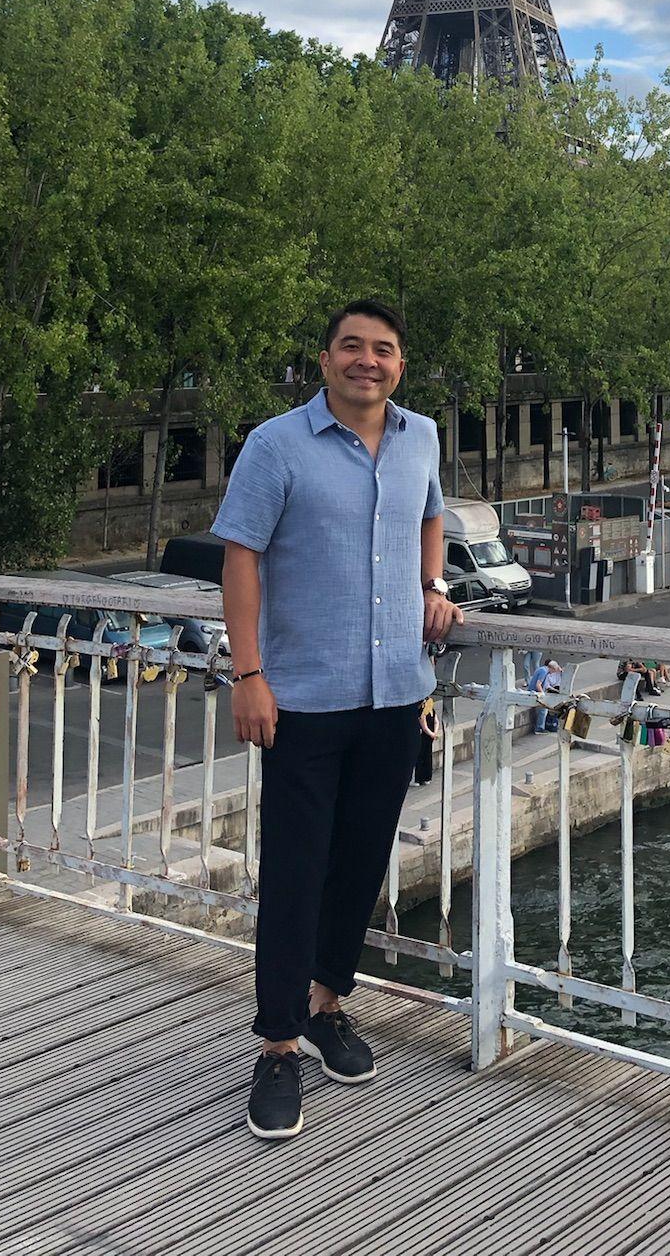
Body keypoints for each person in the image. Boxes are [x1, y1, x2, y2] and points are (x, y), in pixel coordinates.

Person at [212, 299, 464, 1144]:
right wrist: (249, 674)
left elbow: (430, 511)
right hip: (305, 698)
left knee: (359, 864)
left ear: (400, 363)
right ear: (324, 361)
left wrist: (434, 584)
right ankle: (278, 1044)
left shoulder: (421, 436)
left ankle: (328, 1006)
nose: (368, 360)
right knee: (294, 872)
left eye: (383, 349)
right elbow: (240, 557)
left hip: (396, 690)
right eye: (351, 347)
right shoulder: (277, 445)